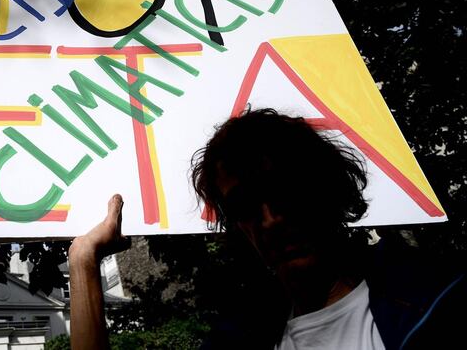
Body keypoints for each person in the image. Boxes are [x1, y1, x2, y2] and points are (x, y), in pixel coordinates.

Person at [68, 108, 465, 349]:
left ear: (327, 190)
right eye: (244, 206)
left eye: (285, 192)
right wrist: (83, 262)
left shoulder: (439, 301)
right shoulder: (240, 338)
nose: (271, 220)